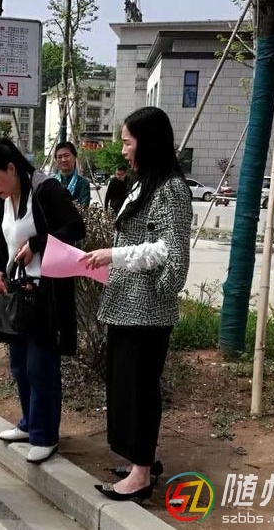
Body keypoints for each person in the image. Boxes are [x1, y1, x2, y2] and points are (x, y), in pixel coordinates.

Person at [80, 106, 192, 503]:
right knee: (125, 386)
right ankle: (140, 459)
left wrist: (114, 255)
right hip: (127, 303)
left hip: (147, 309)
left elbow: (169, 250)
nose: (124, 149)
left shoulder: (171, 189)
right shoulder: (145, 182)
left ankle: (141, 474)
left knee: (139, 389)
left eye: (128, 142)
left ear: (148, 142)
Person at [0, 139, 86, 464]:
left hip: (45, 294)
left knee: (41, 367)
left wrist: (37, 244)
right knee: (20, 365)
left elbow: (75, 227)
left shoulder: (45, 189)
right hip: (17, 294)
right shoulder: (4, 199)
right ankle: (28, 423)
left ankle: (45, 435)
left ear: (11, 168)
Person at [53, 141, 91, 206]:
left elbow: (83, 207)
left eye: (66, 155)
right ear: (56, 160)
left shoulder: (83, 183)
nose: (63, 160)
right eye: (59, 157)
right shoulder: (51, 182)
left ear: (75, 157)